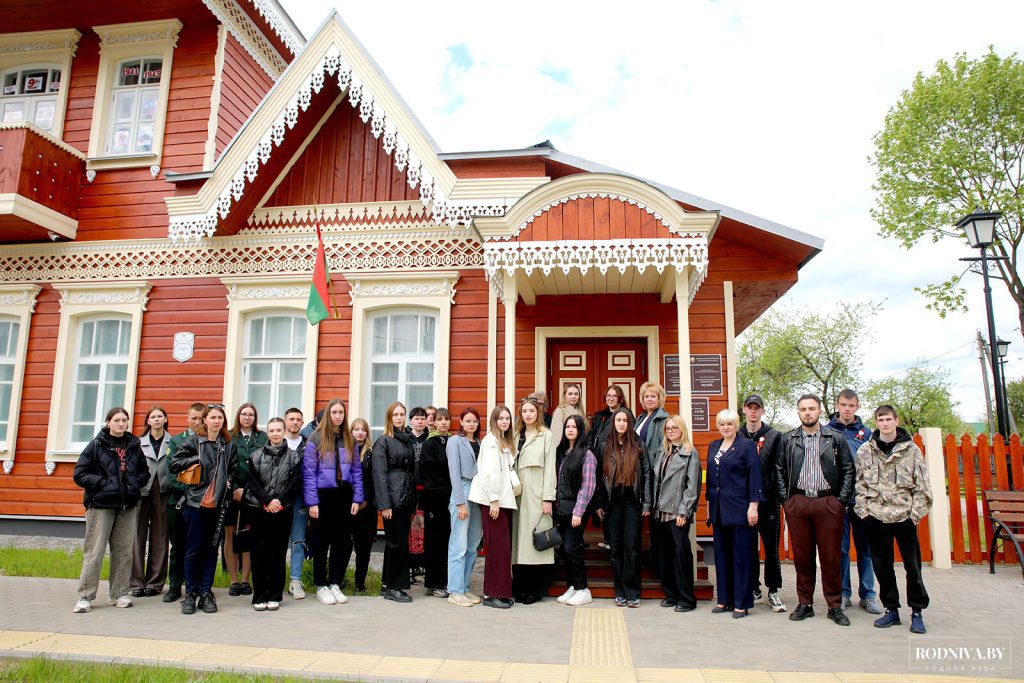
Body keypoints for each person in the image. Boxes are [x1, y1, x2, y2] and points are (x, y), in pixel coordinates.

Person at [776, 394, 855, 626]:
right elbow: (779, 469)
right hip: (798, 503)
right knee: (803, 557)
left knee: (831, 557)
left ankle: (834, 605)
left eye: (811, 408)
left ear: (820, 411)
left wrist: (840, 501)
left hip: (828, 503)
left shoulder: (835, 438)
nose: (807, 413)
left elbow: (849, 470)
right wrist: (786, 501)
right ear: (798, 412)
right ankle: (805, 603)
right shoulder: (788, 439)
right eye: (803, 409)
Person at [855, 405, 932, 634]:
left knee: (913, 567)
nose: (885, 423)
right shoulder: (865, 451)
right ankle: (891, 610)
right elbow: (859, 485)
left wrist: (914, 515)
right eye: (881, 419)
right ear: (876, 422)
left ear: (896, 420)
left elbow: (923, 487)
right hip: (876, 517)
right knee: (882, 566)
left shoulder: (911, 450)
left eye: (888, 419)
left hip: (903, 518)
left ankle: (917, 611)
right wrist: (865, 513)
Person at [72, 407, 150, 613]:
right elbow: (80, 474)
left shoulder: (133, 445)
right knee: (94, 552)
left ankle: (119, 594)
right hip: (101, 505)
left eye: (125, 420)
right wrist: (105, 484)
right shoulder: (97, 444)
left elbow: (145, 472)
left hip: (127, 505)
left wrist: (133, 485)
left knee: (124, 551)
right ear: (108, 422)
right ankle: (85, 597)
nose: (121, 424)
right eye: (117, 420)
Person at [169, 404, 239, 615]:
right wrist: (196, 459)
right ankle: (190, 594)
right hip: (195, 504)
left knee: (211, 551)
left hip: (217, 505)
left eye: (220, 418)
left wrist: (228, 481)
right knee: (192, 551)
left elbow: (234, 470)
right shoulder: (193, 442)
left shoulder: (228, 444)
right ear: (205, 421)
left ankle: (205, 592)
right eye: (213, 418)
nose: (216, 421)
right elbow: (174, 464)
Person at [303, 398, 363, 606]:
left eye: (341, 412)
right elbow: (309, 474)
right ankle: (321, 585)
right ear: (328, 414)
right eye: (334, 412)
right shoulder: (316, 438)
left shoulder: (349, 439)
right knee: (321, 542)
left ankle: (335, 582)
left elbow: (356, 471)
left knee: (343, 542)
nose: (337, 416)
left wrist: (357, 498)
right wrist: (312, 502)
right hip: (323, 495)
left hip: (344, 495)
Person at [827, 388, 881, 614]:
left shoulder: (867, 434)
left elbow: (875, 467)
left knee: (866, 549)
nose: (847, 409)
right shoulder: (827, 431)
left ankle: (868, 594)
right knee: (840, 549)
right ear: (837, 405)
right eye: (843, 405)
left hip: (862, 500)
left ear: (857, 407)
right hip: (838, 499)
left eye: (851, 406)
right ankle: (843, 592)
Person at [707, 409, 762, 618]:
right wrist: (711, 508)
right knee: (722, 556)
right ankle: (724, 600)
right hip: (719, 510)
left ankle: (741, 602)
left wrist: (753, 506)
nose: (726, 427)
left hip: (740, 508)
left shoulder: (746, 446)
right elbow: (712, 480)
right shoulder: (713, 446)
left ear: (736, 425)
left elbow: (754, 476)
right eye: (722, 424)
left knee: (741, 557)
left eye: (729, 424)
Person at [244, 417, 303, 611]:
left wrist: (278, 501)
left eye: (279, 430)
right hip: (260, 510)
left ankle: (275, 594)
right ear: (267, 433)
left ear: (284, 431)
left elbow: (295, 482)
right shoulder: (255, 455)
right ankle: (260, 595)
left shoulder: (294, 456)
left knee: (277, 554)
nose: (275, 434)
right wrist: (268, 501)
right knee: (259, 553)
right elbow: (252, 483)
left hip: (283, 510)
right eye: (272, 431)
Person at [739, 394, 786, 613]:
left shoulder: (775, 436)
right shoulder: (738, 435)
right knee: (748, 548)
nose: (753, 412)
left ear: (762, 411)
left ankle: (773, 590)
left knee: (770, 548)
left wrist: (779, 495)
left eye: (757, 408)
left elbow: (780, 468)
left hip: (768, 501)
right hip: (743, 501)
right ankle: (753, 587)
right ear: (744, 410)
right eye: (750, 408)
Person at [650, 414, 701, 613]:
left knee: (681, 556)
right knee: (665, 555)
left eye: (674, 428)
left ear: (682, 429)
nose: (670, 431)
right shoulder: (663, 451)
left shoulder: (690, 453)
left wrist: (684, 512)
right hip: (660, 511)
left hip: (677, 513)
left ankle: (686, 598)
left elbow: (692, 486)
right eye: (668, 428)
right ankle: (670, 593)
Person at [597, 407, 649, 607]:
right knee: (616, 548)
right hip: (612, 503)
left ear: (629, 423)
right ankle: (619, 590)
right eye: (617, 420)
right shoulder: (605, 445)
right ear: (613, 423)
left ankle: (633, 591)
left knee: (632, 547)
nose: (621, 423)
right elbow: (599, 478)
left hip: (631, 501)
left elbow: (646, 475)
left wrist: (646, 503)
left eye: (624, 420)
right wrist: (600, 504)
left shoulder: (638, 445)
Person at [467, 405, 518, 609]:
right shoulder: (490, 442)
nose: (504, 421)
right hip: (493, 502)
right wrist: (494, 500)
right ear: (494, 421)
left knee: (502, 548)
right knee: (496, 547)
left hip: (502, 500)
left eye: (507, 418)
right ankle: (491, 595)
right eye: (501, 418)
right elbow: (488, 472)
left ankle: (502, 592)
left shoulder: (503, 441)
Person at [512, 397, 558, 604]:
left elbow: (550, 468)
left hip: (537, 495)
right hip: (516, 495)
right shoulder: (515, 436)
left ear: (538, 413)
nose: (528, 414)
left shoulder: (546, 436)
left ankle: (535, 589)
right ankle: (518, 587)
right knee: (518, 543)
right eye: (524, 411)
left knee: (535, 542)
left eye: (531, 411)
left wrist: (548, 497)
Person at [373, 401, 417, 603]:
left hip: (405, 496)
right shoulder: (383, 441)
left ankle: (387, 583)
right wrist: (385, 505)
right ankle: (395, 587)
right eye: (395, 414)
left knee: (397, 543)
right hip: (392, 499)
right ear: (389, 417)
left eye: (402, 414)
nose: (399, 418)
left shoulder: (406, 440)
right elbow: (379, 475)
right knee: (396, 543)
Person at [162, 402, 204, 603]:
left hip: (201, 504)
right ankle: (175, 585)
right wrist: (192, 491)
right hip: (178, 502)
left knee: (198, 547)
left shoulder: (208, 441)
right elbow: (171, 474)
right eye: (193, 418)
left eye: (200, 418)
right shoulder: (177, 441)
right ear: (187, 419)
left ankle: (194, 586)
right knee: (178, 546)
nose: (197, 422)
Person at [554, 414, 597, 607]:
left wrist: (578, 512)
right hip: (563, 509)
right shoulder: (564, 452)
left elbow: (587, 487)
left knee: (572, 548)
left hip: (576, 510)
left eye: (574, 427)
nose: (570, 430)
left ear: (580, 431)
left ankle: (583, 589)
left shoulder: (587, 455)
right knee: (565, 549)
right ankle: (572, 585)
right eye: (567, 426)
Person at [131, 405, 171, 598]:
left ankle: (155, 583)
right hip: (142, 491)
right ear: (148, 421)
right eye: (153, 417)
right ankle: (136, 581)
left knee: (161, 537)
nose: (156, 419)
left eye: (159, 416)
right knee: (137, 536)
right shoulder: (137, 443)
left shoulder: (173, 442)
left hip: (163, 491)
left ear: (165, 419)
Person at [226, 402, 266, 597]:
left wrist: (251, 491)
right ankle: (233, 580)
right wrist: (234, 488)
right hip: (232, 493)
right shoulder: (229, 436)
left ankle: (245, 580)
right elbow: (225, 465)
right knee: (231, 535)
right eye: (244, 414)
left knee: (250, 535)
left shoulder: (262, 437)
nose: (247, 417)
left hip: (253, 495)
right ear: (238, 416)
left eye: (251, 414)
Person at [446, 408, 483, 607]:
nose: (471, 424)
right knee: (458, 544)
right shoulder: (455, 442)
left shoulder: (480, 443)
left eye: (474, 421)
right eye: (467, 421)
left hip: (478, 493)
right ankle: (455, 590)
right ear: (461, 422)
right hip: (463, 489)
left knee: (472, 545)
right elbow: (453, 472)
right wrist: (460, 502)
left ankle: (465, 587)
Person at [419, 407, 453, 597]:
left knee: (448, 540)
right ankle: (434, 583)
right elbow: (429, 472)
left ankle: (446, 580)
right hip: (435, 499)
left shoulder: (452, 441)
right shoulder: (430, 443)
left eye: (446, 419)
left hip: (450, 499)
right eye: (439, 419)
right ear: (434, 422)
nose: (443, 423)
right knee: (434, 541)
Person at [635, 381, 669, 571]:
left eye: (653, 396)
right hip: (640, 473)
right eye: (646, 396)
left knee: (657, 520)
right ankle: (650, 556)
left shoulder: (663, 420)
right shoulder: (640, 418)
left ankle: (659, 560)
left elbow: (664, 449)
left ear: (660, 399)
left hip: (655, 474)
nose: (649, 399)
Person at [283, 407, 308, 600]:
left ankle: (295, 580)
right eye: (291, 419)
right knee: (277, 540)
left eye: (298, 419)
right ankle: (274, 578)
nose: (295, 422)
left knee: (299, 540)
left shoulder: (308, 445)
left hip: (300, 498)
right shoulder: (276, 442)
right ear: (285, 421)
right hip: (278, 498)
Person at [350, 418, 377, 593]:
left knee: (363, 549)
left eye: (363, 430)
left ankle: (360, 583)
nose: (360, 433)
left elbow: (374, 482)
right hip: (347, 507)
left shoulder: (372, 454)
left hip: (366, 508)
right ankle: (338, 580)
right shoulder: (345, 451)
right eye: (356, 429)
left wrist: (364, 501)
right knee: (344, 546)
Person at [550, 383, 588, 448]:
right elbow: (556, 436)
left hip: (580, 448)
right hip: (566, 449)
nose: (573, 397)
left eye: (576, 394)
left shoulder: (580, 411)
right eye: (570, 394)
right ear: (564, 395)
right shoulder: (560, 411)